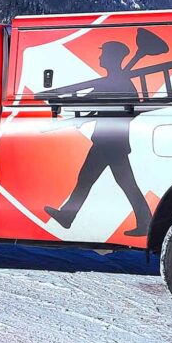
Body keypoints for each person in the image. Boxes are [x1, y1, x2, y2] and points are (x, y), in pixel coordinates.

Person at [44, 41, 152, 236]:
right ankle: (68, 216)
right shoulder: (114, 81)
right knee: (98, 180)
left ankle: (145, 221)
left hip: (110, 141)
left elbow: (126, 109)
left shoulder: (118, 82)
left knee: (104, 181)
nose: (100, 58)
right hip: (110, 140)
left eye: (104, 55)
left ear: (112, 58)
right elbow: (93, 102)